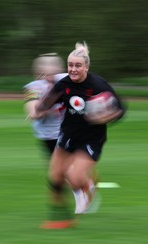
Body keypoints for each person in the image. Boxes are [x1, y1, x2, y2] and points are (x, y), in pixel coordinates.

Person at [36, 41, 126, 229]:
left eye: (78, 65)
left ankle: (88, 184)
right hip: (68, 135)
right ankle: (61, 218)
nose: (73, 69)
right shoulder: (63, 84)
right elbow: (46, 103)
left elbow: (121, 109)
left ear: (86, 67)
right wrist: (40, 107)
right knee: (55, 177)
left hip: (92, 138)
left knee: (74, 176)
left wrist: (106, 116)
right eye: (70, 65)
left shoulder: (98, 84)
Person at [23, 53, 95, 218]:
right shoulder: (33, 87)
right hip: (47, 136)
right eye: (45, 73)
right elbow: (32, 109)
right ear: (38, 72)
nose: (49, 77)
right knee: (58, 175)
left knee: (67, 170)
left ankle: (82, 192)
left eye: (53, 72)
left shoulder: (66, 79)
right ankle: (80, 189)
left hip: (67, 132)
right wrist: (38, 110)